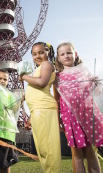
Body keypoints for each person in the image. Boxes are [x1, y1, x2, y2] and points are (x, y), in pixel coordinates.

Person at [55, 42, 103, 173]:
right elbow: (57, 99)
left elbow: (97, 92)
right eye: (62, 54)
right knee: (77, 153)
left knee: (91, 151)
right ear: (58, 58)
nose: (66, 56)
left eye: (69, 52)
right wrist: (58, 119)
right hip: (70, 116)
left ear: (75, 54)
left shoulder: (85, 72)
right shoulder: (57, 77)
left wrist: (96, 83)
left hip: (88, 113)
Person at [19, 42, 61, 173]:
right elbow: (37, 93)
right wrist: (30, 118)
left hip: (44, 110)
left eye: (41, 52)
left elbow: (42, 82)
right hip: (37, 111)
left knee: (48, 149)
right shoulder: (38, 69)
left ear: (48, 52)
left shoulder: (47, 65)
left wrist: (24, 77)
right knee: (42, 149)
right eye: (34, 54)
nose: (37, 56)